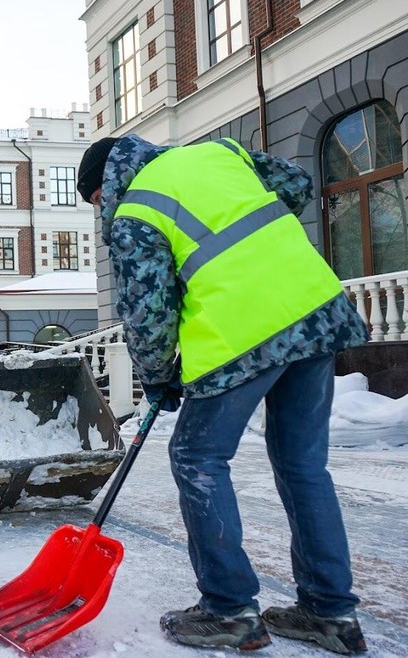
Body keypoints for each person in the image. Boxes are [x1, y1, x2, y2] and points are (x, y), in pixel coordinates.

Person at [76, 135, 369, 654]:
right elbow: (296, 183)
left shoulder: (135, 211)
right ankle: (330, 612)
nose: (103, 211)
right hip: (316, 312)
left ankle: (229, 609)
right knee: (303, 465)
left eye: (98, 200)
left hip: (242, 335)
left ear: (108, 182)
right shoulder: (220, 154)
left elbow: (147, 311)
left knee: (197, 457)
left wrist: (156, 375)